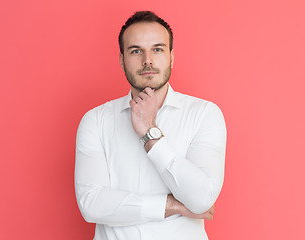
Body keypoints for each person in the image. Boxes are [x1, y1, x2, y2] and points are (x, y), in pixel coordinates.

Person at [75, 11, 227, 240]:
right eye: (136, 51)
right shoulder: (95, 120)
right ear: (121, 59)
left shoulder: (205, 114)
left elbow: (201, 199)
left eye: (157, 49)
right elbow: (91, 204)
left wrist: (149, 132)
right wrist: (172, 205)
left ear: (171, 57)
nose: (148, 60)